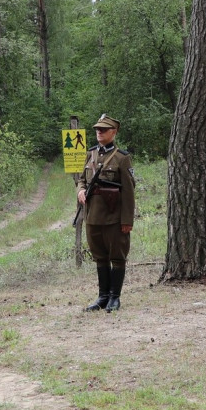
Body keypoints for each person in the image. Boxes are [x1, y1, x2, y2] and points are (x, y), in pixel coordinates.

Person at [76, 114, 135, 313]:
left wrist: (127, 220)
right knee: (99, 257)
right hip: (92, 216)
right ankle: (102, 296)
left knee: (117, 257)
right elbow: (82, 180)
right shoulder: (90, 154)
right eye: (97, 129)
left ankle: (114, 297)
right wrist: (81, 190)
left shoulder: (122, 157)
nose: (99, 132)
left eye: (103, 129)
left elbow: (128, 192)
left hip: (114, 217)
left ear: (114, 132)